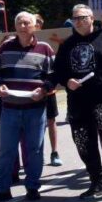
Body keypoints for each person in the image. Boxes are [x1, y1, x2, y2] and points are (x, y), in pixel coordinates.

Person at [53, 5, 102, 200]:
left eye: (82, 17)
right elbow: (59, 71)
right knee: (84, 144)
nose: (78, 21)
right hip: (79, 103)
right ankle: (96, 182)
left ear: (92, 18)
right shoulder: (67, 44)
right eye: (75, 18)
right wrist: (67, 81)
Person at [0, 12, 55, 202]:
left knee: (35, 150)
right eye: (19, 23)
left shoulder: (45, 49)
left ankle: (32, 187)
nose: (23, 26)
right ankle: (1, 189)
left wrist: (44, 89)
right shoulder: (4, 48)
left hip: (36, 108)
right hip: (10, 108)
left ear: (34, 26)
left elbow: (53, 75)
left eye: (27, 23)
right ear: (15, 27)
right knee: (6, 151)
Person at [34, 14, 62, 167]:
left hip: (48, 90)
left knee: (51, 121)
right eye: (34, 22)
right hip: (32, 90)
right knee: (34, 123)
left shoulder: (48, 41)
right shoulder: (24, 40)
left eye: (39, 22)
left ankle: (54, 152)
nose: (37, 24)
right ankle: (38, 153)